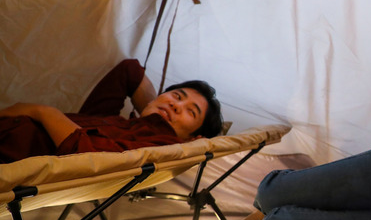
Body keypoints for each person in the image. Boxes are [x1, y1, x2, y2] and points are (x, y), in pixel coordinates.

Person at [0, 59, 223, 163]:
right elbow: (129, 71)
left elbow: (85, 153)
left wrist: (42, 111)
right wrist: (153, 109)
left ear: (194, 137)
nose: (176, 104)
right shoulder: (119, 123)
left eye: (190, 112)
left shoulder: (158, 147)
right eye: (176, 96)